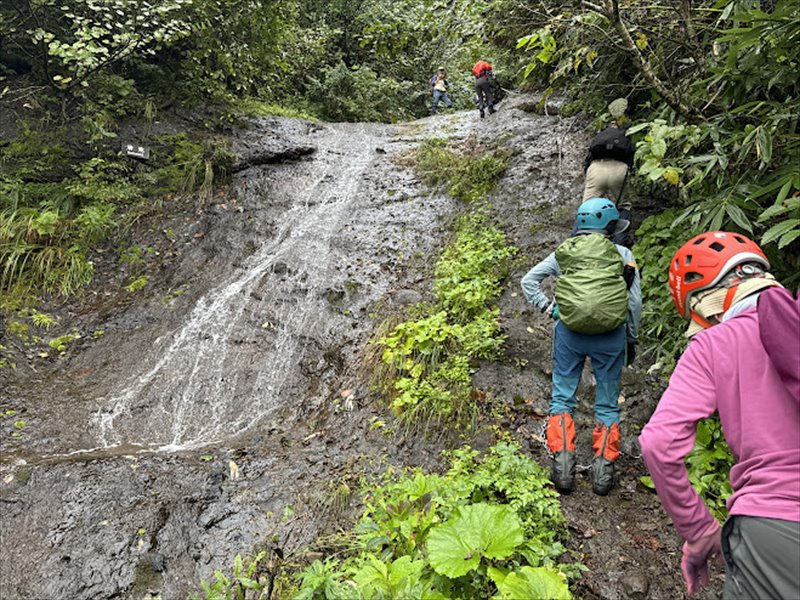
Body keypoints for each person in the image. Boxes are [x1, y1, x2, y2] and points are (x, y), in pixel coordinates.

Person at [639, 231, 799, 598]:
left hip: (774, 525)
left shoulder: (715, 342)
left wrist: (699, 530)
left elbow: (659, 443)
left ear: (709, 305)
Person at [521, 197, 641, 495]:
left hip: (569, 333)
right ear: (610, 227)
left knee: (562, 399)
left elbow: (528, 281)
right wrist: (631, 337)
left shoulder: (565, 251)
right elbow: (634, 303)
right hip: (611, 336)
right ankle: (602, 475)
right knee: (607, 403)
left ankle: (563, 468)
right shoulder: (623, 254)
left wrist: (550, 309)